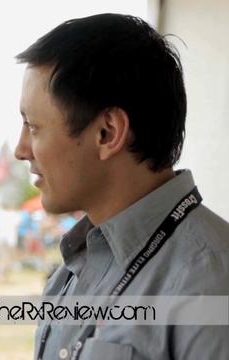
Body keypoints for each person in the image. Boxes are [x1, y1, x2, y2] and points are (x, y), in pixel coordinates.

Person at [14, 13, 229, 360]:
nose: (21, 150)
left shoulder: (211, 280)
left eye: (33, 126)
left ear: (107, 133)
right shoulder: (70, 273)